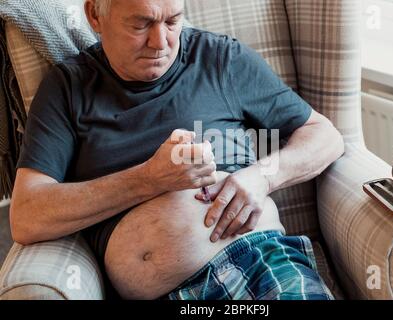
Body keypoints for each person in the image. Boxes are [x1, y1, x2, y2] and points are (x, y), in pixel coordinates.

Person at [9, 0, 344, 300]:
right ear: (96, 14)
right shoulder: (67, 88)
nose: (160, 42)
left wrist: (262, 178)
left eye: (172, 21)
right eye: (141, 24)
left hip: (262, 258)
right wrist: (149, 179)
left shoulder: (221, 59)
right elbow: (26, 216)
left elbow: (325, 136)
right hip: (169, 291)